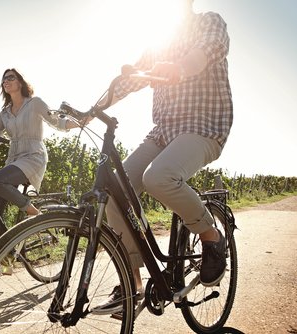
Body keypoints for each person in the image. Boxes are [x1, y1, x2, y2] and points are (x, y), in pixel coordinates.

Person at [94, 0, 233, 313]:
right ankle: (131, 283)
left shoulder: (209, 22)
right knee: (117, 191)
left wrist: (180, 67)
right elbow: (129, 81)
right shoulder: (157, 43)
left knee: (158, 177)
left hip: (204, 128)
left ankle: (212, 237)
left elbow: (206, 51)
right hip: (163, 132)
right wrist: (92, 111)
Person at [0, 68, 86, 231]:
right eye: (4, 79)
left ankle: (32, 211)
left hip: (33, 157)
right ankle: (7, 253)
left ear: (20, 82)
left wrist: (80, 122)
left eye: (10, 78)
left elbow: (57, 122)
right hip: (14, 159)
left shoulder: (35, 103)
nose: (6, 81)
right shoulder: (4, 113)